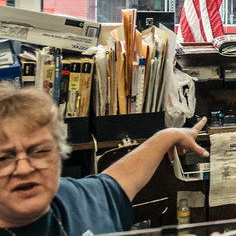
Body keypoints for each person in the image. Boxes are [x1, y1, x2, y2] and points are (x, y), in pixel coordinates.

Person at [0, 81, 209, 234]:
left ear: (58, 153)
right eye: (4, 158)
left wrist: (168, 136)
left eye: (39, 151)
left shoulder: (75, 197)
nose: (25, 169)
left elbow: (119, 180)